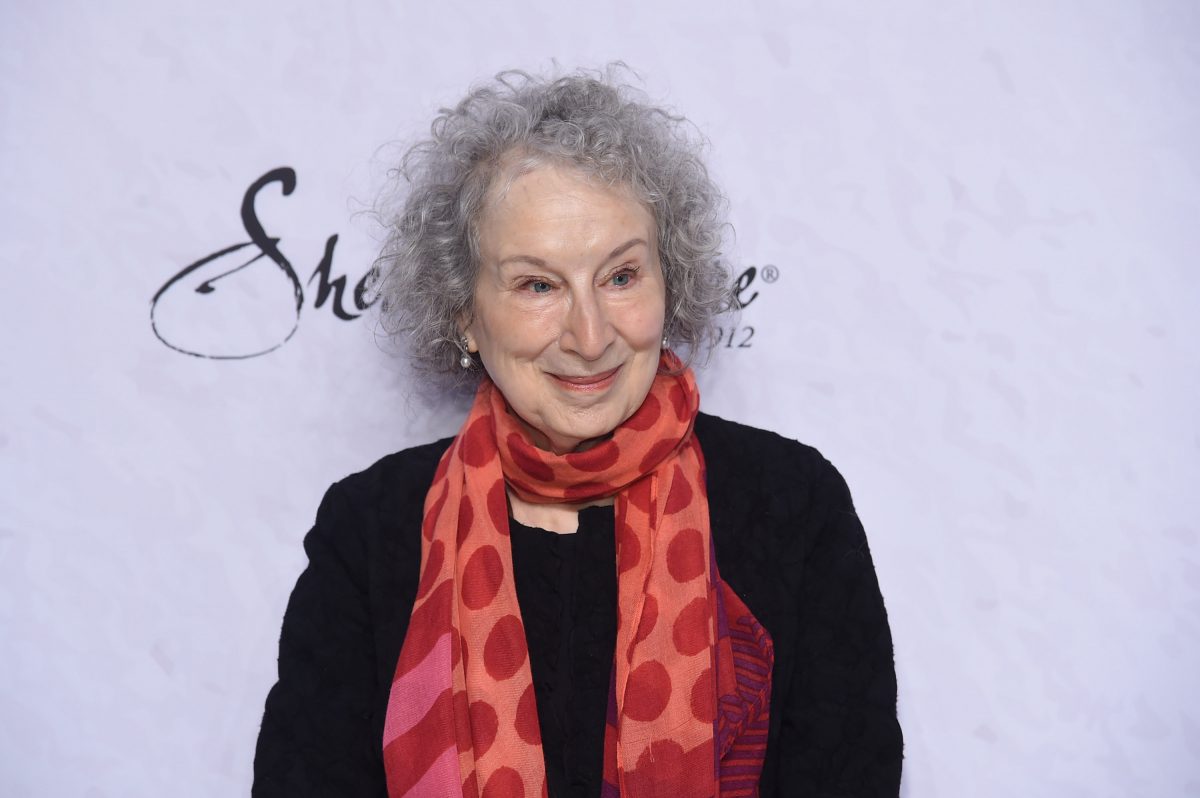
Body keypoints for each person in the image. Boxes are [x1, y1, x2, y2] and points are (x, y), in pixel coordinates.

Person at [253, 67, 902, 797]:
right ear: (463, 312)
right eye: (538, 285)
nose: (590, 337)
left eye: (621, 276)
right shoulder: (371, 530)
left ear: (670, 278)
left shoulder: (791, 504)